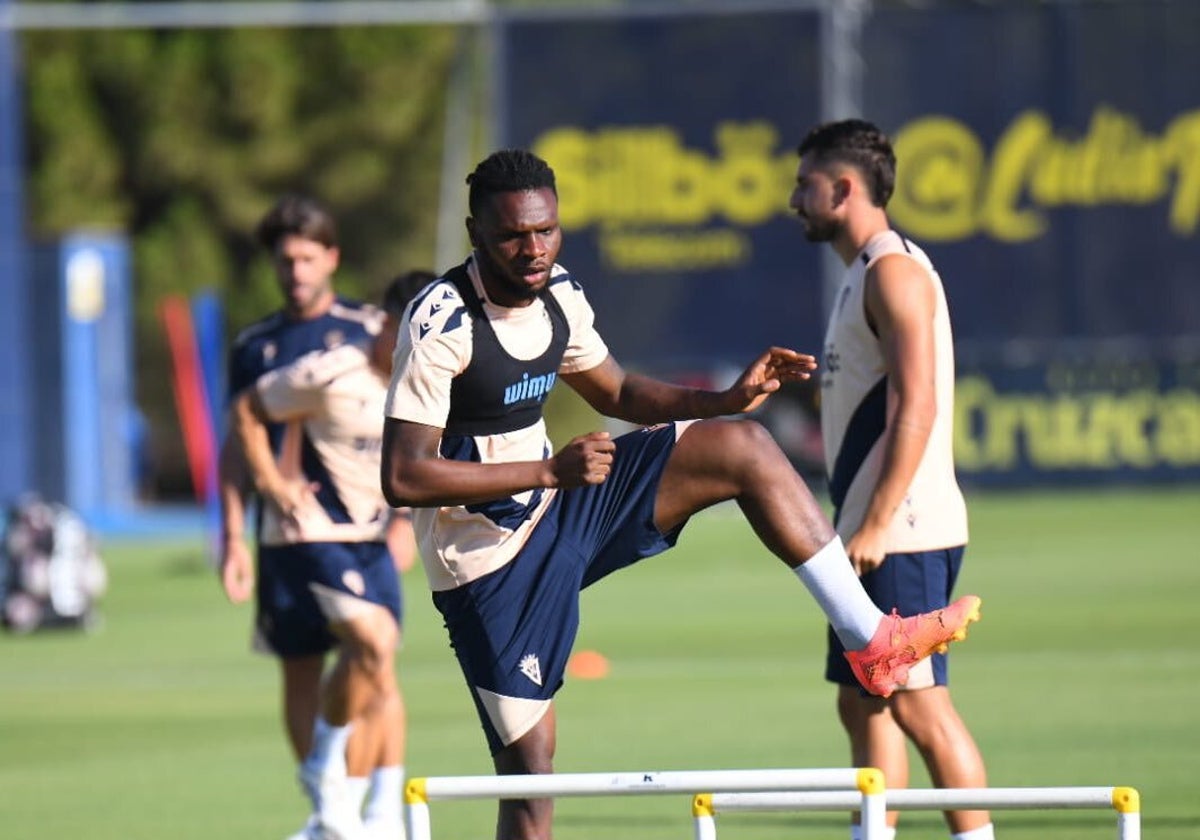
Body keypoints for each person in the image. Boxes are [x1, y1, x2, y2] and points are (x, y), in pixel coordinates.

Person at [380, 148, 983, 840]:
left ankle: (871, 638)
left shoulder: (561, 294)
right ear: (475, 233)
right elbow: (404, 476)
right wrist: (548, 472)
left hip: (562, 507)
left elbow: (621, 391)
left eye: (546, 230)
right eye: (514, 234)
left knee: (742, 447)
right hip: (488, 568)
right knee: (531, 781)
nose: (533, 248)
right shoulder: (442, 321)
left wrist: (725, 399)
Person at [789, 118, 994, 840]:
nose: (794, 199)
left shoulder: (895, 272)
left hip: (901, 529)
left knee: (917, 705)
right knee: (862, 701)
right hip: (868, 527)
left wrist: (875, 523)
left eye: (805, 184)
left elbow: (918, 402)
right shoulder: (862, 273)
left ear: (843, 188)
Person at [217, 193, 416, 840]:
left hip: (359, 530)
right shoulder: (255, 346)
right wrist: (233, 535)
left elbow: (408, 426)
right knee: (301, 665)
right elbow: (236, 438)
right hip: (286, 537)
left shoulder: (372, 329)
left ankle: (372, 809)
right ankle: (330, 812)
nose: (295, 271)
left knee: (375, 656)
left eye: (307, 257)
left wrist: (406, 519)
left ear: (332, 257)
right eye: (284, 260)